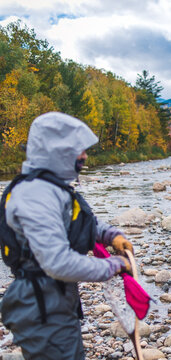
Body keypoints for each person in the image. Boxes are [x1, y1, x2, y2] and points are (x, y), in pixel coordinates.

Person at [0, 112, 134, 360]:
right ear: (55, 151)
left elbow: (80, 222)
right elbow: (58, 262)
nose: (84, 155)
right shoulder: (35, 193)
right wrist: (114, 265)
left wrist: (110, 235)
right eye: (78, 149)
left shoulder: (52, 188)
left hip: (55, 299)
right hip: (39, 305)